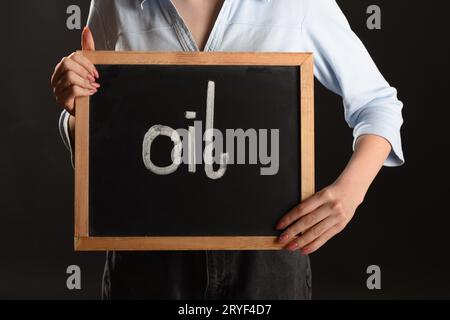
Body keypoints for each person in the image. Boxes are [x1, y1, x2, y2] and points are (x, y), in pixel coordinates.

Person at [51, 0, 404, 300]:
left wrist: (350, 192)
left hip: (268, 257)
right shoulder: (115, 3)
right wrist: (77, 112)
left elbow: (377, 102)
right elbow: (102, 130)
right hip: (147, 256)